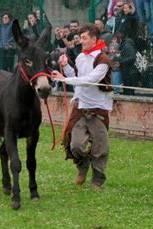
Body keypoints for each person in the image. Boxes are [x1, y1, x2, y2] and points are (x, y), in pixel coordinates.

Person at [52, 24, 113, 189]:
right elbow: (77, 78)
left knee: (100, 148)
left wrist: (65, 80)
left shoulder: (103, 60)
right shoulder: (80, 57)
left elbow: (90, 80)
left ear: (94, 39)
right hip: (80, 107)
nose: (81, 41)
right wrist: (65, 68)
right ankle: (82, 166)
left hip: (98, 108)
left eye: (84, 38)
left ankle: (98, 180)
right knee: (75, 145)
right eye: (81, 38)